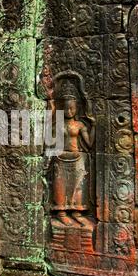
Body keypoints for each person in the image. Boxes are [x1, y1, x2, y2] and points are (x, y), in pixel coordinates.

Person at [52, 95, 95, 229]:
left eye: (72, 108)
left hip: (77, 157)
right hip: (61, 156)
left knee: (78, 185)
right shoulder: (58, 124)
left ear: (77, 109)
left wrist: (93, 125)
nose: (69, 111)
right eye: (66, 109)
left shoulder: (80, 125)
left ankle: (77, 211)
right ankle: (61, 212)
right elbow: (51, 142)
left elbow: (89, 144)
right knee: (60, 184)